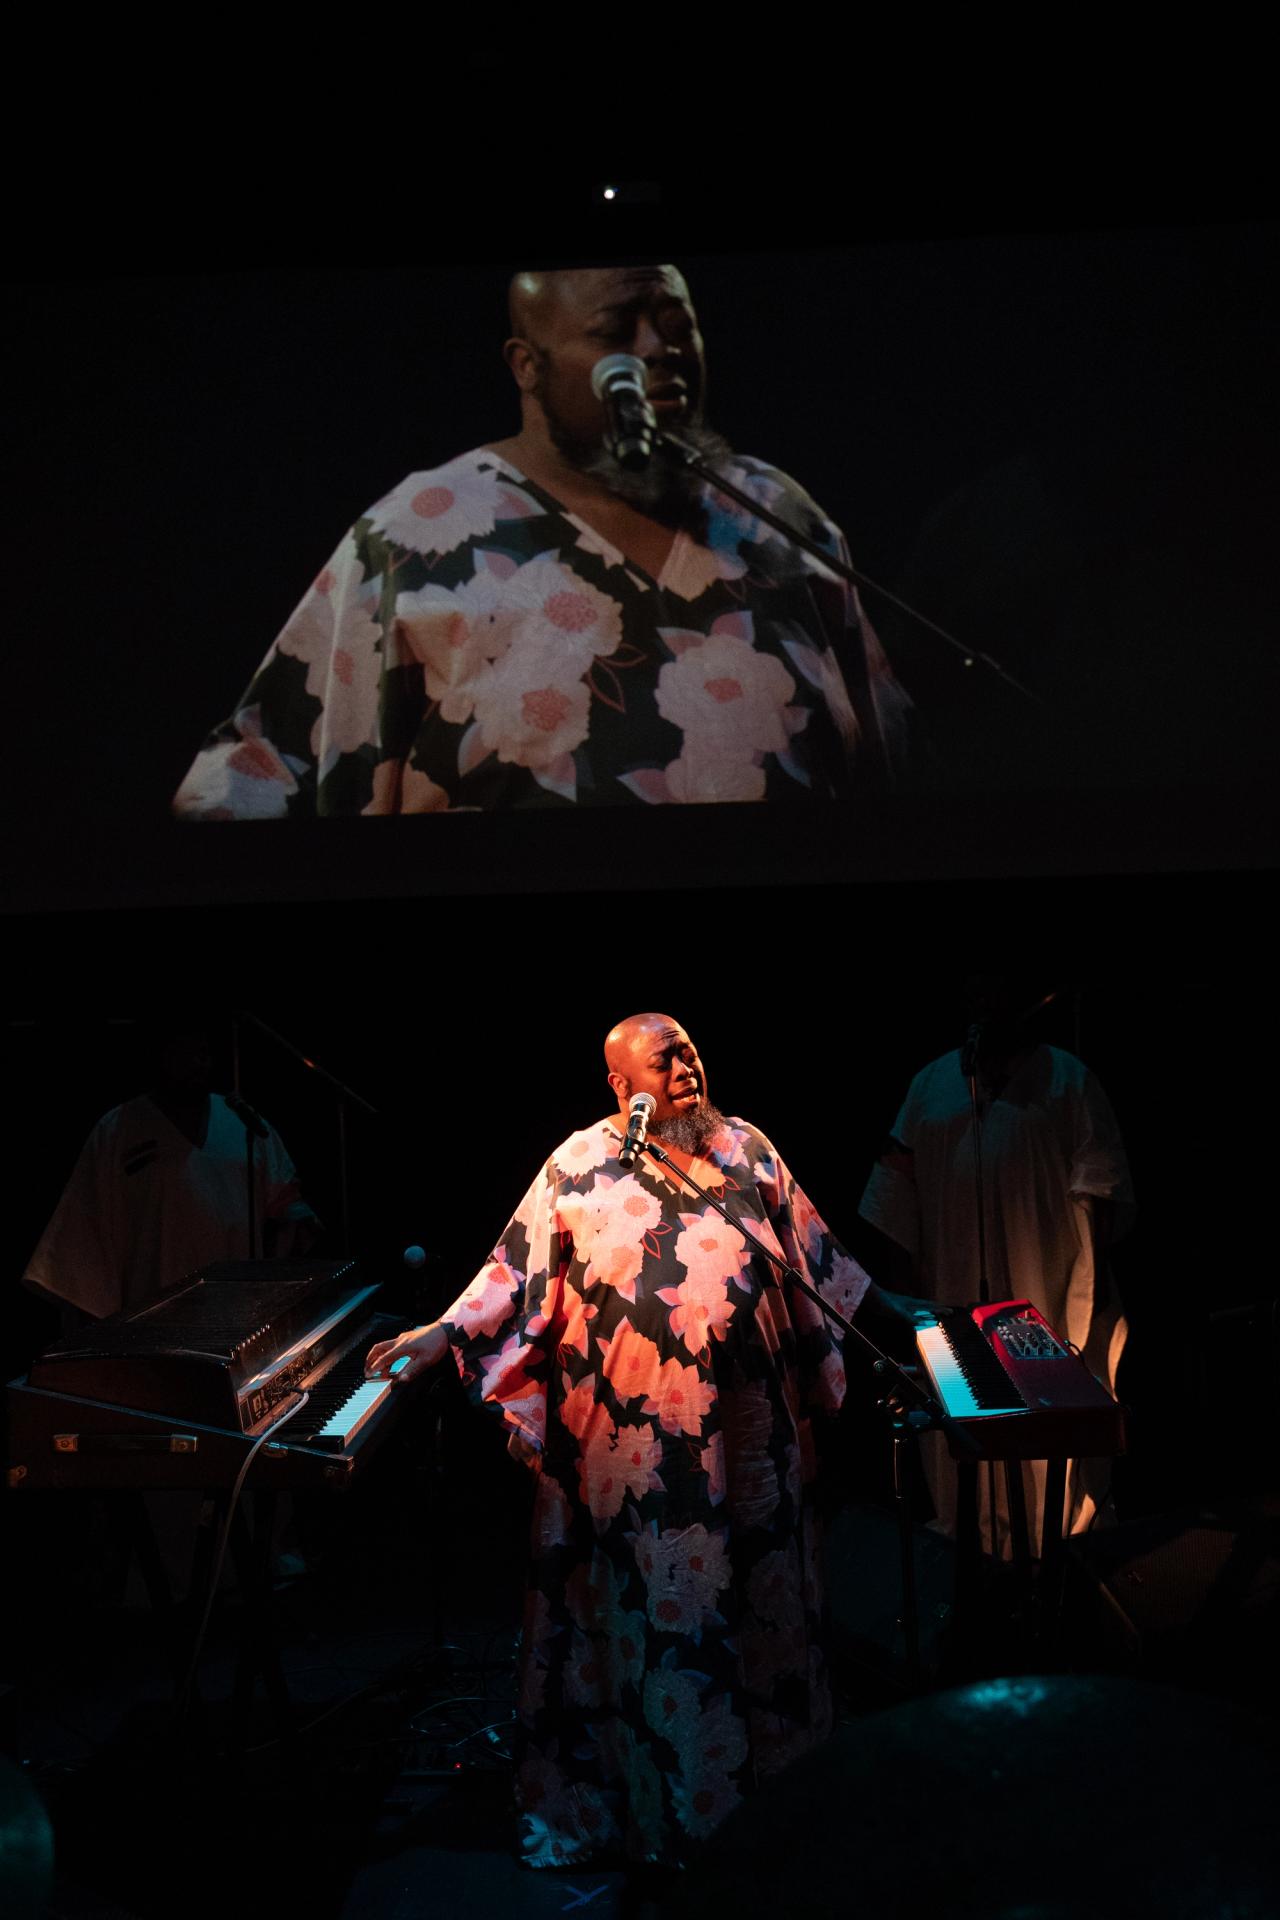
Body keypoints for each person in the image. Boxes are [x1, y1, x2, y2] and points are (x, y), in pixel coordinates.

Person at [365, 1012, 924, 1870]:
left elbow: (820, 1257)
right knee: (650, 1629)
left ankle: (776, 1809)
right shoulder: (577, 1164)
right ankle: (657, 1819)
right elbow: (512, 1271)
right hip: (629, 1465)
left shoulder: (748, 1149)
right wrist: (442, 1334)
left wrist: (907, 1319)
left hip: (750, 1445)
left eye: (690, 1053)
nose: (685, 1067)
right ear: (621, 1087)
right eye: (664, 1061)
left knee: (759, 1616)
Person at [173, 264, 908, 817]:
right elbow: (266, 773)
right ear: (528, 365)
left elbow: (889, 760)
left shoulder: (776, 513)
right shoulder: (416, 534)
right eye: (616, 333)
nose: (659, 349)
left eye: (676, 325)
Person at [857, 978, 1135, 1551]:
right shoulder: (932, 1086)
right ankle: (979, 1555)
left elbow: (1102, 1189)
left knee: (1050, 1431)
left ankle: (1057, 1557)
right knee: (969, 1430)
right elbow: (892, 1199)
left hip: (1049, 1289)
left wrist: (1089, 1302)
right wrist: (911, 1305)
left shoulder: (1067, 1079)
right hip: (954, 1287)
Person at [23, 1021, 320, 1325]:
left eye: (203, 1052)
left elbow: (291, 1216)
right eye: (185, 1051)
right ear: (161, 1055)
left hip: (237, 1317)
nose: (198, 1062)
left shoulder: (241, 1122)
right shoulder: (118, 1130)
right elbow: (80, 1243)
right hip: (151, 1319)